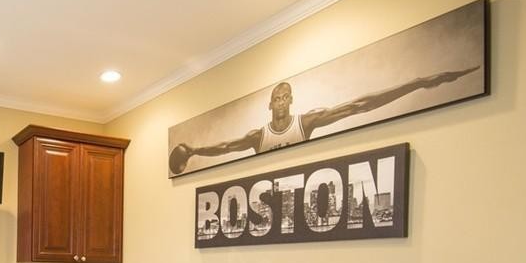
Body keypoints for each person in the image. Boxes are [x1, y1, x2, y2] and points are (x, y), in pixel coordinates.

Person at [169, 66, 479, 174]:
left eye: (285, 96)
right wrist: (195, 151)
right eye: (276, 97)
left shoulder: (306, 122)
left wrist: (416, 83)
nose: (280, 101)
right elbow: (224, 147)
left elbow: (358, 105)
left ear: (292, 100)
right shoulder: (257, 136)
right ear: (269, 103)